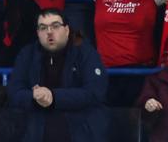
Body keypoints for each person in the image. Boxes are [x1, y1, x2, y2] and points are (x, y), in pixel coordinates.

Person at [9, 11, 108, 142]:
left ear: (66, 30)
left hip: (80, 132)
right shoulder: (27, 54)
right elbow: (14, 92)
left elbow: (94, 92)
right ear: (38, 33)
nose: (49, 32)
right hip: (35, 132)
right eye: (43, 28)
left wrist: (53, 96)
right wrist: (35, 97)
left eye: (55, 26)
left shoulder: (85, 52)